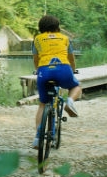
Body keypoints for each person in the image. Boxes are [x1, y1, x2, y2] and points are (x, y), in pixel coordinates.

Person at [32, 15, 81, 148]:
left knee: (43, 104)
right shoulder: (65, 38)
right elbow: (71, 58)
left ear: (41, 28)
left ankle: (37, 138)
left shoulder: (37, 39)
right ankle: (69, 102)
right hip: (63, 69)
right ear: (57, 27)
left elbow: (36, 59)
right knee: (76, 87)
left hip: (44, 71)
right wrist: (73, 70)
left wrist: (38, 70)